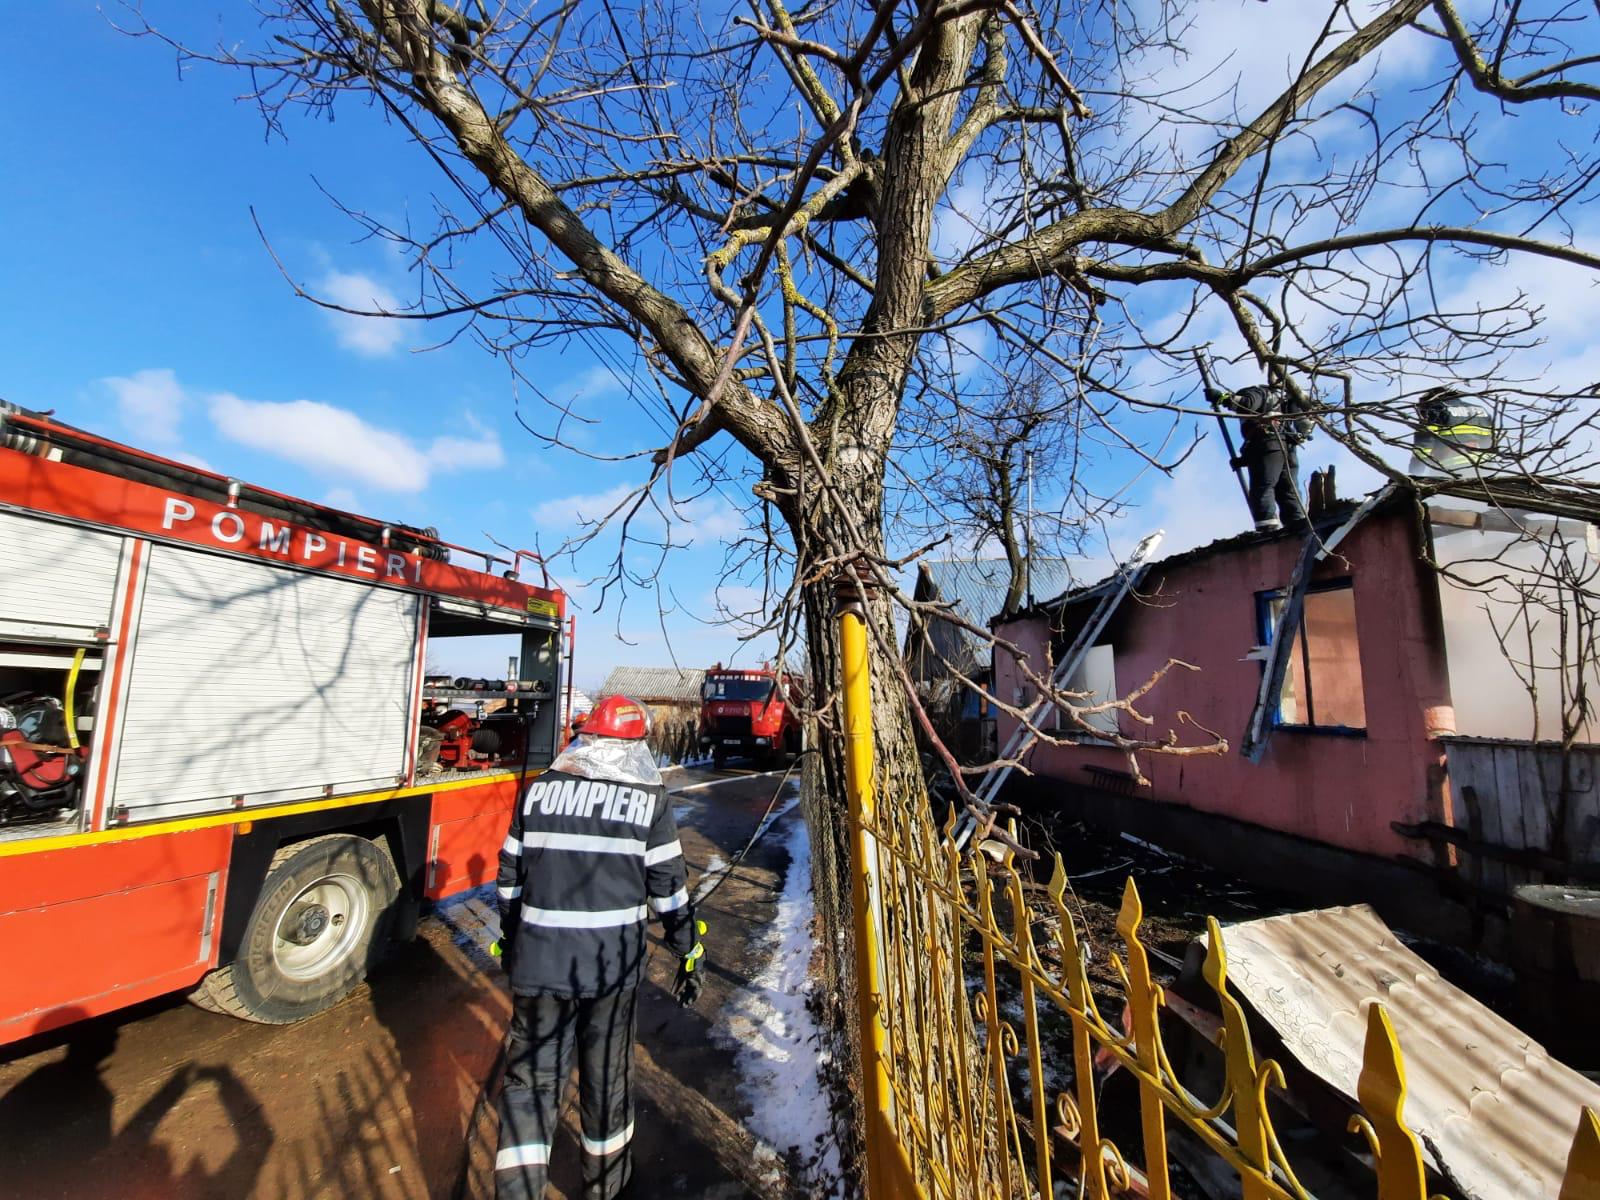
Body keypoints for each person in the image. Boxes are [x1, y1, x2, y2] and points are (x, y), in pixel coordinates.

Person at [492, 694, 706, 1200]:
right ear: (634, 747)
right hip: (610, 972)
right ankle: (605, 1188)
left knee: (530, 1087)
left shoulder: (540, 791)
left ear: (587, 737)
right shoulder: (648, 801)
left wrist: (512, 939)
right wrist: (687, 948)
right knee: (606, 1081)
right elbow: (669, 891)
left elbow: (508, 882)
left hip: (539, 966)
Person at [1209, 381, 1314, 533]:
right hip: (1287, 449)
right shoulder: (1279, 401)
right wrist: (1244, 460)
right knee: (1288, 490)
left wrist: (1220, 398)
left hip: (1269, 446)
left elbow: (1246, 404)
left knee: (1262, 487)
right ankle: (1296, 525)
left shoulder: (1255, 392)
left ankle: (1267, 528)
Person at [1410, 386, 1495, 477]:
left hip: (1451, 467)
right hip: (1481, 466)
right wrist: (1490, 465)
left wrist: (1416, 472)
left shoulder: (1435, 410)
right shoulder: (1480, 410)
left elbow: (1423, 446)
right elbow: (1490, 442)